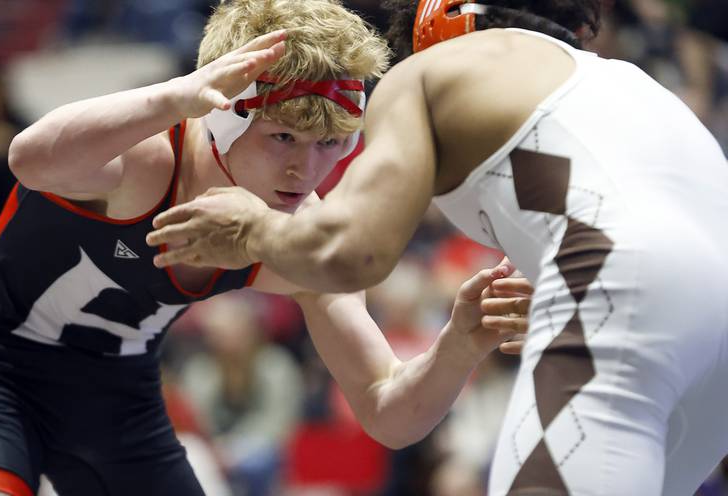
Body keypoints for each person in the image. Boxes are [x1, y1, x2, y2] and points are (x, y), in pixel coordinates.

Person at [0, 1, 533, 495]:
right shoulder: (148, 157)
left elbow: (386, 412)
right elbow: (27, 159)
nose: (305, 169)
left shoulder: (305, 240)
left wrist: (459, 345)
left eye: (330, 143)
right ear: (220, 115)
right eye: (284, 136)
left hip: (117, 399)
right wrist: (174, 96)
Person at [150, 0, 728, 494]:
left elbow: (354, 253)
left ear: (436, 19)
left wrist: (253, 230)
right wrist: (555, 277)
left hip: (622, 289)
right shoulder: (626, 83)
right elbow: (640, 227)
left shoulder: (430, 73)